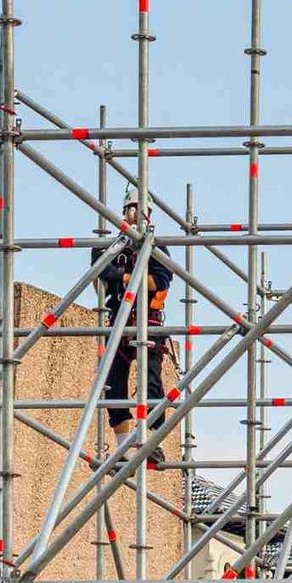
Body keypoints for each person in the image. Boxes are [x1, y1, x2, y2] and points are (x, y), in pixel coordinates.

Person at [92, 191, 175, 469]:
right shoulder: (109, 248)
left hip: (148, 322)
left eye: (138, 211)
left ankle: (151, 440)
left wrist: (126, 278)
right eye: (130, 210)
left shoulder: (157, 248)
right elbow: (103, 273)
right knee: (113, 383)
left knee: (151, 383)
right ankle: (123, 446)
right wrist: (135, 277)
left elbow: (160, 282)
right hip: (118, 320)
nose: (133, 216)